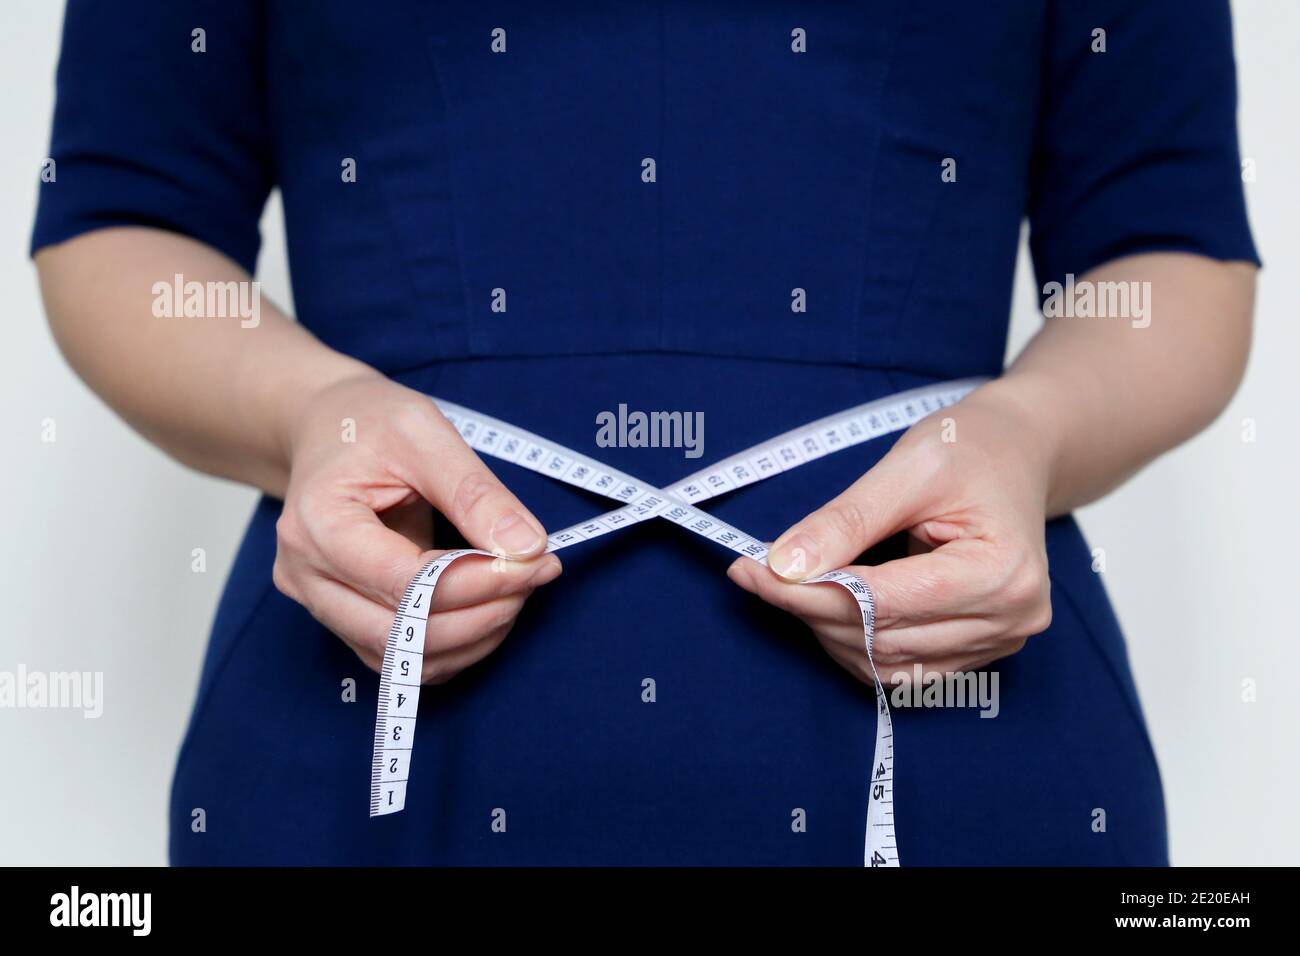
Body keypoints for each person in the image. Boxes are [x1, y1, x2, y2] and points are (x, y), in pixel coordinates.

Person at [32, 1, 1257, 864]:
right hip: (362, 709)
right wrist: (308, 413)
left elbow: (1173, 260)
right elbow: (123, 219)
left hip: (958, 728)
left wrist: (1026, 429)